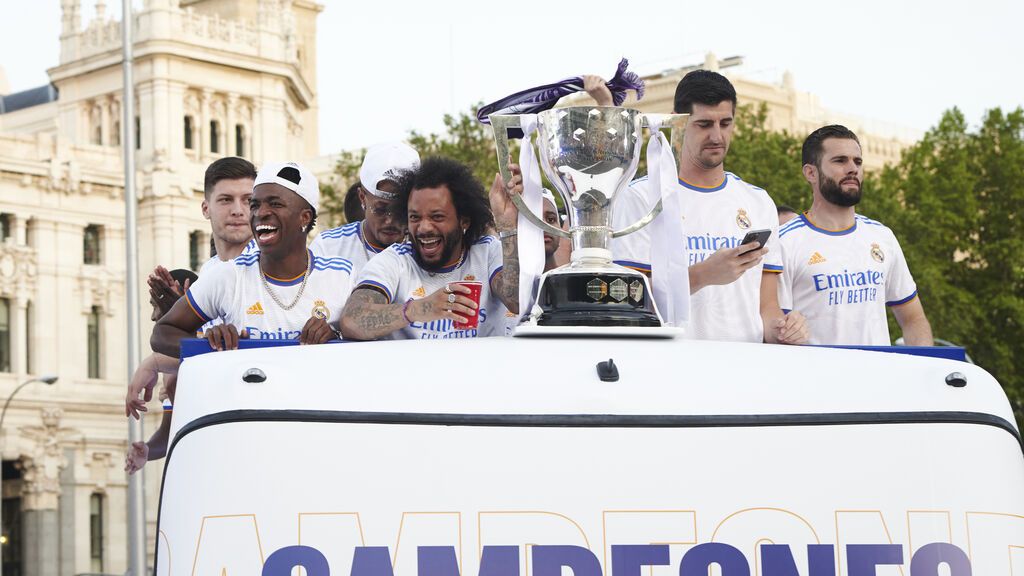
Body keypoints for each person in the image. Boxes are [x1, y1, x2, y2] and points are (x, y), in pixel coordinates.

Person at [612, 70, 807, 344]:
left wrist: (785, 330)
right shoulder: (641, 197)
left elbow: (766, 308)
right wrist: (703, 274)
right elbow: (627, 303)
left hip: (745, 369)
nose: (717, 136)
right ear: (678, 122)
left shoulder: (758, 201)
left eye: (725, 123)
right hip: (671, 370)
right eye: (704, 124)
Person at [152, 161, 353, 355]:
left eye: (275, 204)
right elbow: (162, 333)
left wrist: (336, 337)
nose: (261, 213)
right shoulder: (228, 275)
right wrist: (210, 345)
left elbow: (374, 342)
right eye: (255, 205)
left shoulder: (342, 275)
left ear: (305, 217)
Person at [778, 125, 933, 346]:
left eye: (857, 162)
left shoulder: (882, 236)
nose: (852, 169)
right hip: (815, 379)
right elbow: (773, 329)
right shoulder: (785, 242)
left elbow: (913, 319)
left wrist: (922, 367)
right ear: (811, 173)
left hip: (878, 378)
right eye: (840, 161)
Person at [340, 157, 521, 340]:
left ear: (463, 220)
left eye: (437, 217)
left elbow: (516, 300)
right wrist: (421, 308)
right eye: (415, 218)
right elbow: (351, 320)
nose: (424, 227)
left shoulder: (487, 252)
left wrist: (507, 225)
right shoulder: (395, 261)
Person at [148, 157, 257, 316]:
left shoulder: (275, 267)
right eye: (226, 200)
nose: (237, 210)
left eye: (248, 200)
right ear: (206, 209)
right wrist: (177, 316)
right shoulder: (208, 273)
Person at [125, 268, 197, 474]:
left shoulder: (217, 336)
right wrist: (147, 450)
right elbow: (167, 432)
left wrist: (154, 363)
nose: (153, 316)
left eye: (156, 305)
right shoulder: (168, 360)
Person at [310, 142, 419, 276]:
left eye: (400, 209)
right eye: (380, 209)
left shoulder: (427, 249)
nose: (390, 220)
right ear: (362, 197)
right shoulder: (328, 247)